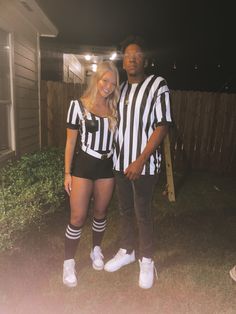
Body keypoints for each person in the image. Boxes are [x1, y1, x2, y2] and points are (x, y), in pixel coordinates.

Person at [104, 36, 172, 289]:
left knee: (142, 213)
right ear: (123, 61)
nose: (132, 58)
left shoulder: (157, 84)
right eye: (127, 54)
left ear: (146, 59)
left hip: (143, 164)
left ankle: (147, 259)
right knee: (124, 210)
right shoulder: (119, 89)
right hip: (120, 163)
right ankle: (127, 250)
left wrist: (140, 160)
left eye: (138, 54)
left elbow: (162, 125)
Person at [63, 61, 119, 287]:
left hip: (107, 167)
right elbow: (70, 143)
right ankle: (68, 262)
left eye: (113, 83)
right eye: (105, 80)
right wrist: (67, 172)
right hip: (84, 166)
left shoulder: (116, 110)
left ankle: (96, 249)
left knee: (100, 212)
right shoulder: (78, 106)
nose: (108, 86)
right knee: (77, 217)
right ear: (96, 79)